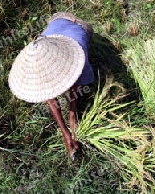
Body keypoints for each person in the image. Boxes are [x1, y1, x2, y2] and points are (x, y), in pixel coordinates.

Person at [8, 12, 94, 160]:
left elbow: (76, 86)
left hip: (78, 25)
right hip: (55, 21)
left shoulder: (78, 53)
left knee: (73, 81)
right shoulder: (39, 48)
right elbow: (50, 98)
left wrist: (72, 117)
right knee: (51, 82)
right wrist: (65, 132)